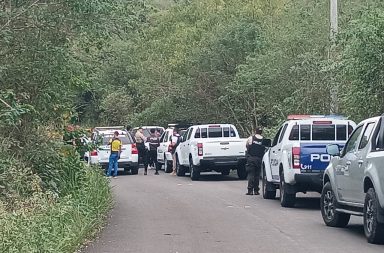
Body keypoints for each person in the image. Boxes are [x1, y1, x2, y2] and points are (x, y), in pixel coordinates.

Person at [245, 127, 267, 195]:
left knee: (251, 174)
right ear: (261, 132)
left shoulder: (251, 138)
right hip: (259, 159)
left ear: (255, 131)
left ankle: (250, 190)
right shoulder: (264, 140)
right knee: (257, 175)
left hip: (251, 158)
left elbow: (247, 146)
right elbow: (265, 149)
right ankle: (256, 190)